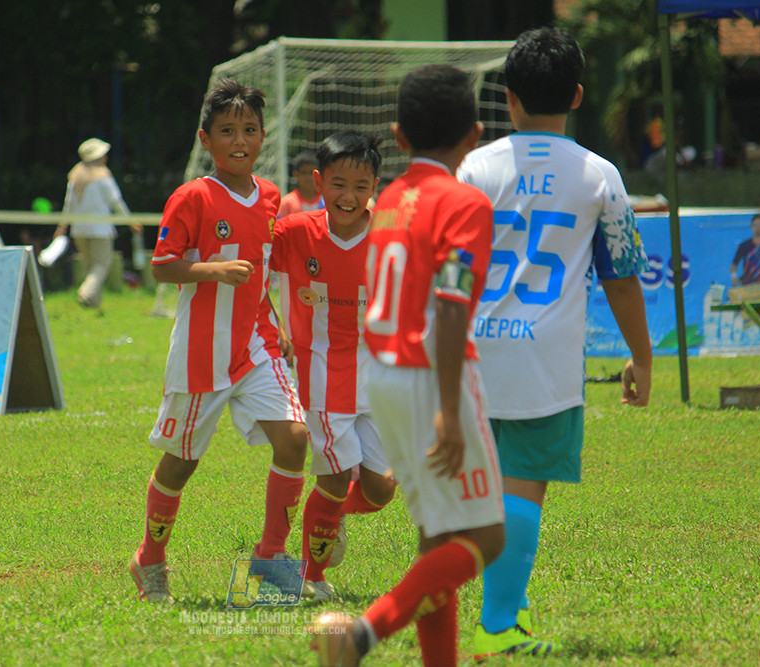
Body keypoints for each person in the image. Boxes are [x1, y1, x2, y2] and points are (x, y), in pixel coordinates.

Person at [455, 27, 652, 659]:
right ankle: (497, 624)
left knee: (489, 491)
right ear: (577, 95)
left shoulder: (474, 168)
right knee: (524, 490)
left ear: (507, 99)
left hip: (474, 356)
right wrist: (642, 359)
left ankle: (503, 604)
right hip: (546, 360)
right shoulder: (601, 175)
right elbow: (622, 279)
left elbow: (451, 271)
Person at [310, 64, 505, 667]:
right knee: (488, 539)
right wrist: (449, 408)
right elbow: (449, 310)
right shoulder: (464, 203)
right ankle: (363, 633)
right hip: (430, 375)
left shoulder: (390, 200)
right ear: (474, 135)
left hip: (383, 376)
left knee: (435, 538)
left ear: (397, 137)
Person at [130, 79, 308, 602]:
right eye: (227, 131)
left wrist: (280, 326)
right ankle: (150, 558)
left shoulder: (272, 196)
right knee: (182, 463)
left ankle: (271, 561)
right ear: (205, 140)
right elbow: (163, 268)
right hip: (202, 352)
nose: (240, 140)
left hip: (256, 345)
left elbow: (265, 271)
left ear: (262, 137)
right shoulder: (192, 196)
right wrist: (213, 269)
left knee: (295, 439)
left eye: (250, 130)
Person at [270, 131, 395, 603]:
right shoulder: (295, 231)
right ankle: (310, 575)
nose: (349, 196)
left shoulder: (390, 234)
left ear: (375, 187)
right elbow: (255, 271)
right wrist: (273, 327)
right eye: (339, 184)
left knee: (382, 490)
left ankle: (333, 515)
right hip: (321, 374)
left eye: (361, 186)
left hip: (380, 377)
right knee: (335, 478)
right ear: (319, 182)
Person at [54, 137, 131, 312]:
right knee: (102, 264)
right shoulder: (103, 175)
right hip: (100, 229)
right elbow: (116, 201)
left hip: (79, 229)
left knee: (91, 265)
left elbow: (69, 204)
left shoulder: (75, 175)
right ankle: (86, 293)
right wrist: (129, 220)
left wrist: (62, 226)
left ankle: (93, 303)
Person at [277, 150, 324, 218]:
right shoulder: (287, 203)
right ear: (296, 175)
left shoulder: (325, 202)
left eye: (311, 173)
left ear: (318, 174)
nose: (308, 177)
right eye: (303, 173)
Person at [731, 213, 760, 286]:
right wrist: (734, 278)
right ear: (751, 227)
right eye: (755, 225)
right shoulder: (744, 246)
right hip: (748, 287)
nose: (758, 228)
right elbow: (734, 265)